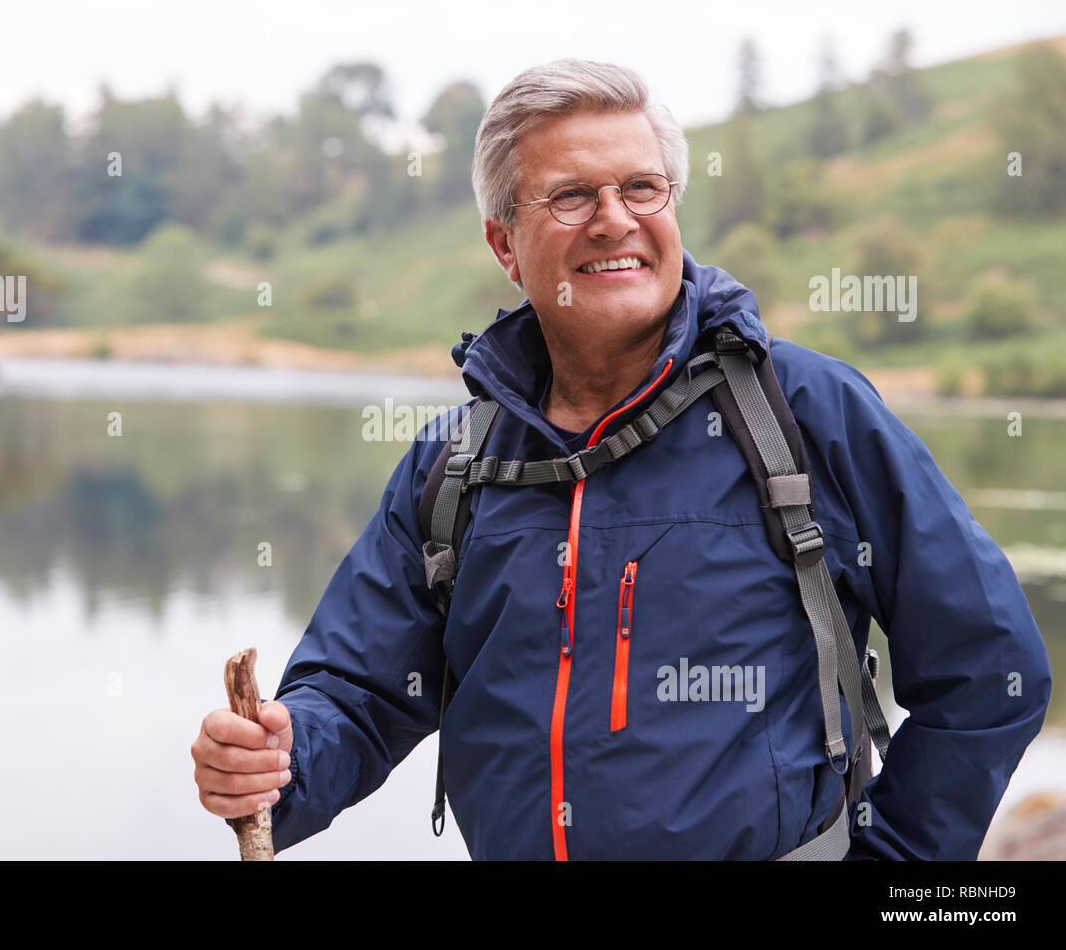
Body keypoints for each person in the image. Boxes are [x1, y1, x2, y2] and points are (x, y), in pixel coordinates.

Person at [190, 58, 1052, 860]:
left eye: (643, 187)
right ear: (503, 243)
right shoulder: (452, 464)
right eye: (570, 196)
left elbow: (992, 670)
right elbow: (357, 692)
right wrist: (280, 759)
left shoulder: (803, 413)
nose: (616, 219)